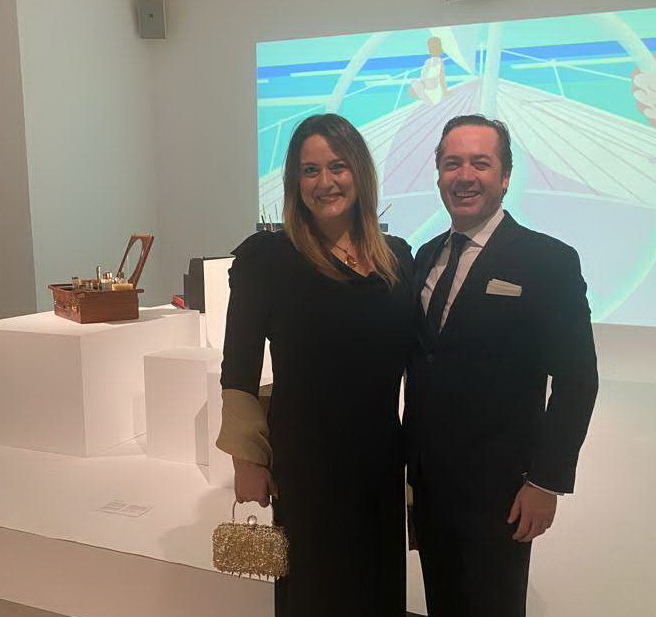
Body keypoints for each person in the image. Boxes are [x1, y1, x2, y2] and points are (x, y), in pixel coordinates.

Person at [216, 113, 414, 617]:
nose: (325, 182)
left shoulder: (396, 258)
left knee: (376, 587)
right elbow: (238, 367)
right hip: (306, 465)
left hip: (380, 458)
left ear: (360, 172)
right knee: (315, 591)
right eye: (310, 170)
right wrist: (247, 461)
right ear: (294, 181)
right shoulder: (266, 258)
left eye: (338, 166)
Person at [405, 115, 599, 616]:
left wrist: (546, 481)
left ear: (505, 176)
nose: (464, 176)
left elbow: (577, 380)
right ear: (438, 173)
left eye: (480, 163)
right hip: (430, 484)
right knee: (443, 602)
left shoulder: (549, 261)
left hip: (503, 490)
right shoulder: (424, 257)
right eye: (452, 163)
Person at [409, 36, 450, 106]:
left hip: (430, 87)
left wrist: (445, 91)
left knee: (414, 84)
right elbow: (440, 77)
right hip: (428, 87)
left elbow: (441, 77)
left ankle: (427, 96)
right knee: (414, 84)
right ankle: (426, 95)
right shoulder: (433, 61)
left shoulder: (433, 61)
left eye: (430, 48)